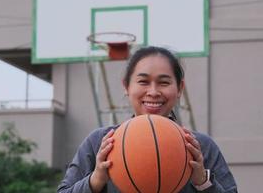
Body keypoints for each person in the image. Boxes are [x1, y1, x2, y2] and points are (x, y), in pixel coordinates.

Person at [57, 46, 237, 193]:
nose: (153, 91)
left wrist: (203, 182)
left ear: (180, 88)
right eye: (143, 82)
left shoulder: (201, 147)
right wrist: (95, 180)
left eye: (164, 82)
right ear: (126, 86)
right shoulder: (100, 142)